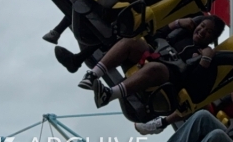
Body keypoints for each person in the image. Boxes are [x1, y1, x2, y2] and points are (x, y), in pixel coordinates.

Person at [81, 15, 225, 107]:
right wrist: (176, 23)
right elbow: (154, 37)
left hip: (168, 79)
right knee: (131, 41)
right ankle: (93, 75)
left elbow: (197, 94)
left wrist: (204, 62)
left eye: (209, 32)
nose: (202, 31)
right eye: (202, 26)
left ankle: (108, 95)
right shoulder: (183, 34)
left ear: (213, 39)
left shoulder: (207, 58)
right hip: (153, 56)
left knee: (157, 68)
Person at [134, 53, 233, 135]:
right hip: (208, 99)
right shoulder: (229, 69)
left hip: (221, 116)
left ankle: (161, 123)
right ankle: (151, 105)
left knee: (197, 103)